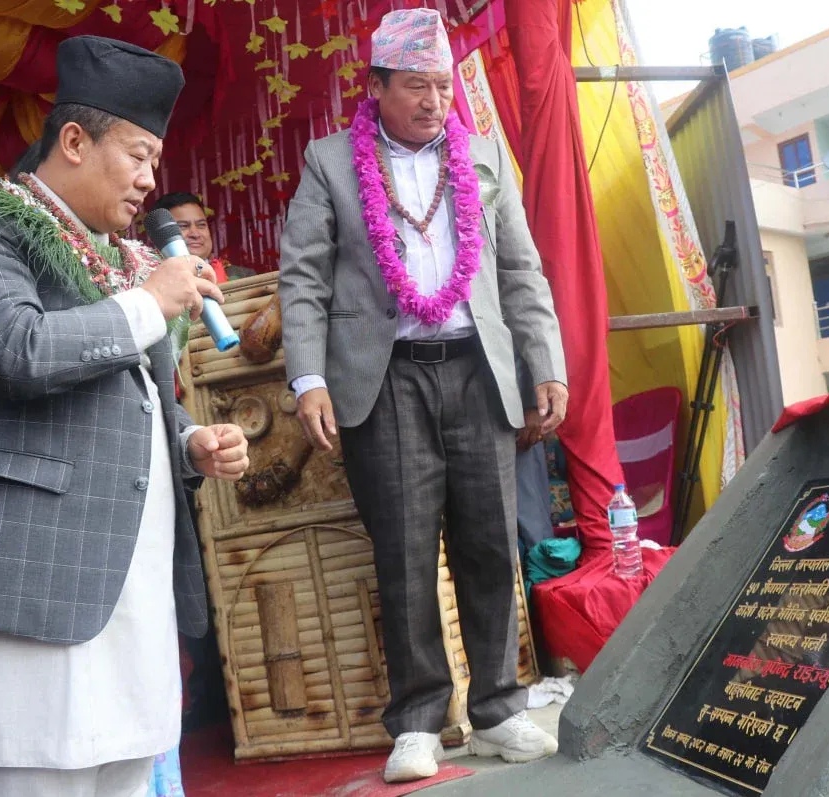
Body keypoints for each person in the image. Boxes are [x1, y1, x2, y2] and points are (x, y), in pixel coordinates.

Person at [0, 36, 250, 797]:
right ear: (77, 141)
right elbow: (17, 349)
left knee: (126, 777)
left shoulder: (121, 258)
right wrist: (149, 301)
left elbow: (129, 396)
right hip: (33, 576)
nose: (150, 181)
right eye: (139, 155)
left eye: (155, 161)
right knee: (38, 778)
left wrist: (189, 441)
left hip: (131, 583)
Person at [279, 8, 568, 784]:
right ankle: (416, 721)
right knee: (404, 552)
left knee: (490, 544)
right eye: (416, 86)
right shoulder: (329, 163)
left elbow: (521, 270)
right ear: (376, 87)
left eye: (443, 86)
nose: (435, 101)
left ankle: (499, 709)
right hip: (387, 377)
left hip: (477, 369)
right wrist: (309, 378)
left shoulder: (484, 157)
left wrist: (547, 364)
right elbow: (302, 277)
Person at [152, 192, 256, 282]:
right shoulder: (149, 283)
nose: (195, 234)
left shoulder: (244, 277)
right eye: (183, 226)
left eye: (201, 225)